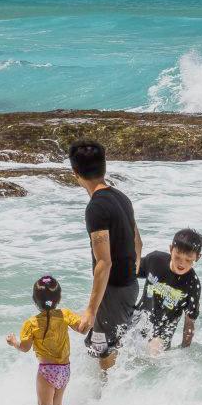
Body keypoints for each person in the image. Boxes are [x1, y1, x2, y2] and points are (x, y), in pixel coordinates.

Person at [67, 140, 140, 370]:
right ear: (104, 167)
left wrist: (90, 310)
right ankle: (112, 396)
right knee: (109, 348)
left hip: (115, 291)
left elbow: (104, 261)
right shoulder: (122, 197)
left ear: (75, 173)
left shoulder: (96, 208)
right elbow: (138, 243)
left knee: (103, 351)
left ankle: (107, 400)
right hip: (128, 286)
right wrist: (129, 277)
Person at [5, 275, 80, 405]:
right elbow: (81, 327)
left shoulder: (31, 323)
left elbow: (25, 348)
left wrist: (13, 342)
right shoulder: (65, 314)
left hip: (47, 371)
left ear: (34, 300)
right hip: (65, 369)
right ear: (58, 298)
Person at [137, 228, 202, 351]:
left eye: (188, 260)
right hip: (139, 320)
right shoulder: (155, 260)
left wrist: (185, 351)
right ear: (171, 249)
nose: (181, 263)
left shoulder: (193, 285)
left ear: (197, 257)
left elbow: (189, 324)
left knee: (154, 352)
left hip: (162, 334)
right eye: (177, 256)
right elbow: (128, 272)